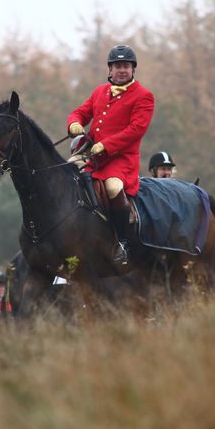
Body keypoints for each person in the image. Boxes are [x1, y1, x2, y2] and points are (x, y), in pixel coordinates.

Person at [67, 44, 155, 266]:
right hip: (93, 156)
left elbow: (136, 130)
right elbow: (79, 112)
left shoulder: (144, 96)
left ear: (133, 69)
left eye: (126, 66)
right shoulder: (99, 91)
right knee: (65, 172)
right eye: (117, 66)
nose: (121, 70)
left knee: (113, 187)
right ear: (110, 69)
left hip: (122, 160)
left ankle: (123, 242)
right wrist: (75, 123)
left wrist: (106, 145)